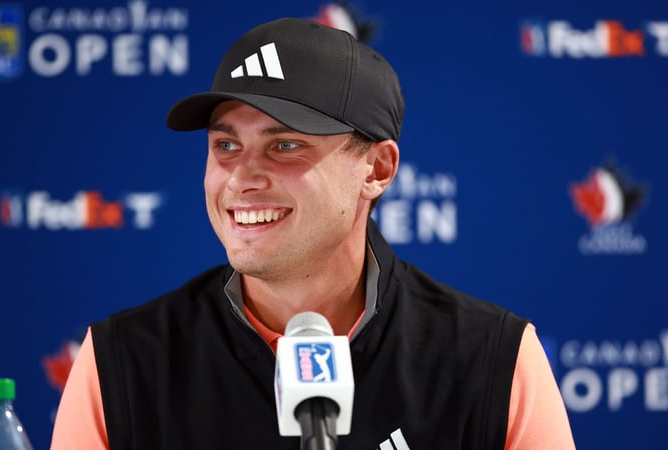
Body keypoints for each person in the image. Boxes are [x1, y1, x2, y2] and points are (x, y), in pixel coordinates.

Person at [51, 17, 576, 449]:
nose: (241, 178)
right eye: (226, 146)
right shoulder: (121, 361)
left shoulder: (492, 360)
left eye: (284, 146)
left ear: (376, 170)